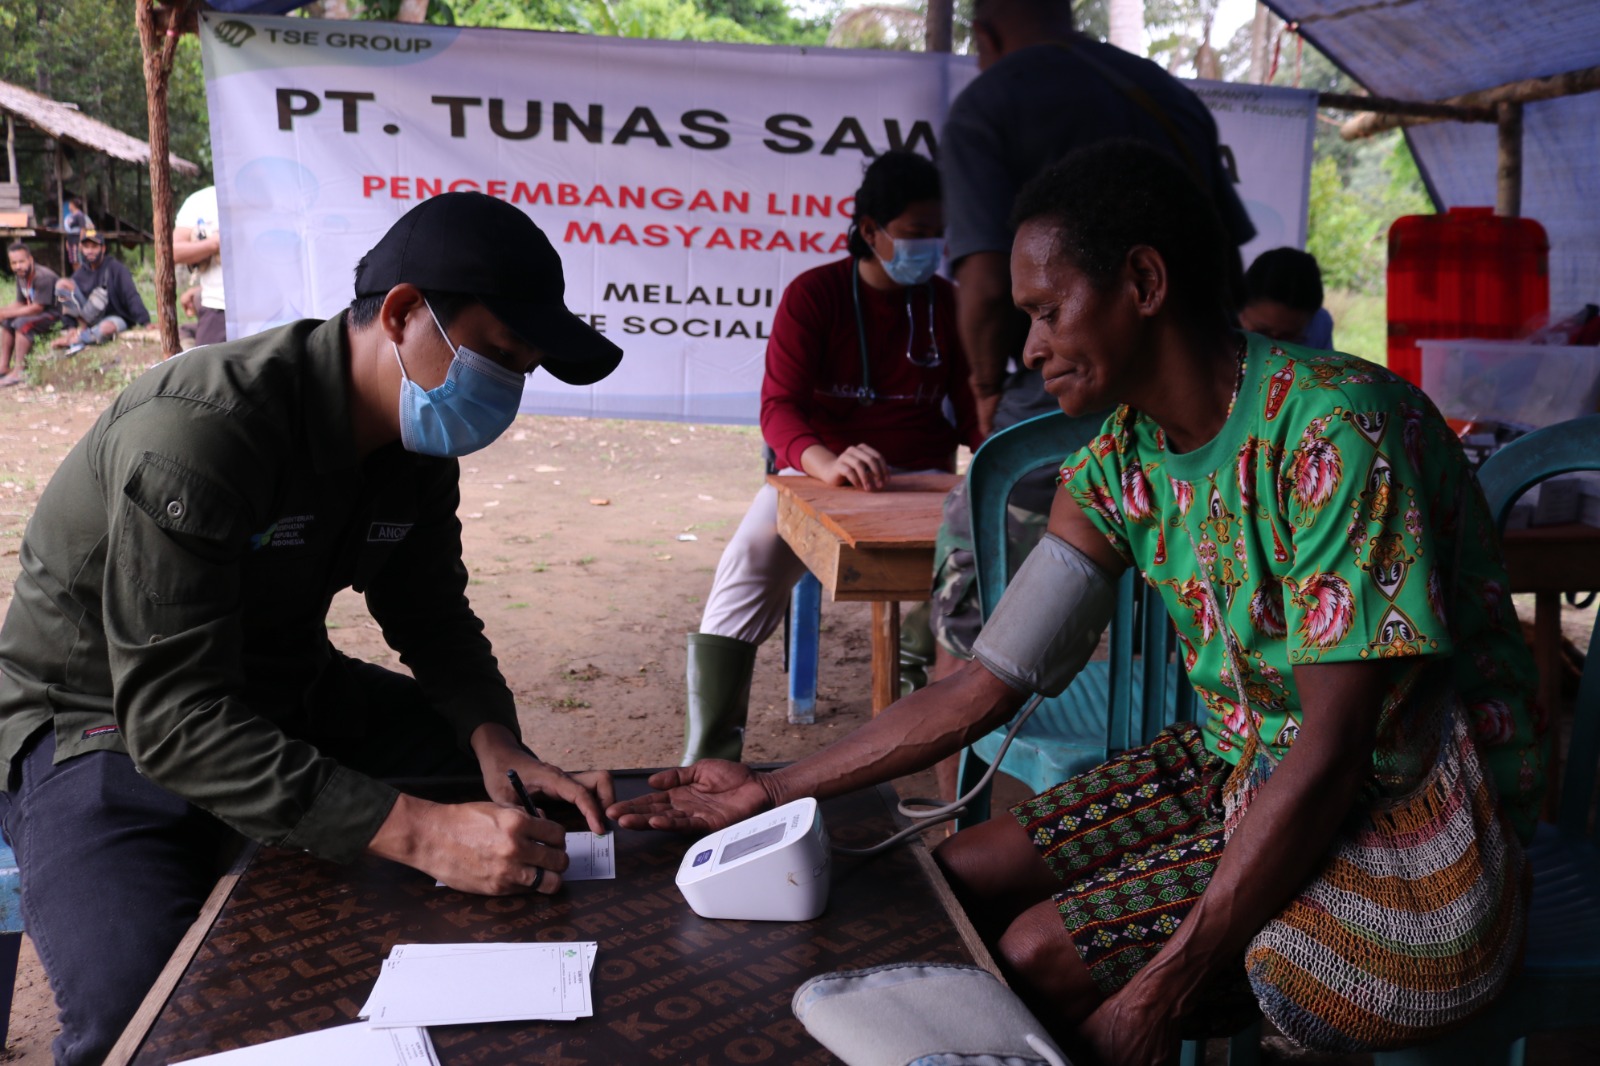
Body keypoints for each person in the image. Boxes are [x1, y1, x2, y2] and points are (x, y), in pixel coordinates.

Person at [611, 141, 1542, 1063]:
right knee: (956, 873)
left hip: (1402, 799)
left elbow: (1336, 754)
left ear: (1143, 281)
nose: (1032, 347)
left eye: (1050, 310)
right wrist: (771, 787)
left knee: (1038, 954)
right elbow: (986, 684)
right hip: (1244, 757)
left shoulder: (1333, 431)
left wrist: (1160, 992)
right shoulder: (1112, 469)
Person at [0, 192, 625, 1065]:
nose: (507, 389)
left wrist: (494, 739)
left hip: (277, 682)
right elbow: (175, 717)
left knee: (493, 798)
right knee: (146, 1021)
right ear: (405, 313)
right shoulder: (202, 433)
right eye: (496, 354)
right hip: (99, 717)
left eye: (523, 368)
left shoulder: (417, 444)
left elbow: (431, 613)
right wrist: (418, 831)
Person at [924, 0, 1258, 738]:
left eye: (1045, 314)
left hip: (1073, 406)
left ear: (986, 35)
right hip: (1207, 402)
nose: (1036, 341)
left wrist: (986, 394)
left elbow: (981, 287)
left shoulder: (991, 102)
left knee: (971, 593)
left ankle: (952, 802)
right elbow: (1225, 256)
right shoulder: (1163, 91)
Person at [681, 150, 980, 764]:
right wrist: (827, 462)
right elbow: (779, 409)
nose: (929, 247)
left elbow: (977, 413)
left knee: (968, 566)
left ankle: (916, 731)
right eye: (914, 234)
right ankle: (709, 755)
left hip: (920, 483)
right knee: (746, 562)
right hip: (818, 475)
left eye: (936, 235)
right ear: (870, 231)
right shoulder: (813, 294)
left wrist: (998, 464)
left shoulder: (947, 304)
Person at [50, 226, 150, 355]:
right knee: (62, 284)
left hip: (113, 317)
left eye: (94, 247)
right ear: (81, 249)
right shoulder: (80, 273)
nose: (90, 251)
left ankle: (78, 339)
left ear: (103, 248)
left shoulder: (116, 269)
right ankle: (75, 332)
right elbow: (64, 300)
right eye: (86, 247)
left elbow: (131, 295)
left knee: (106, 329)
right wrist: (70, 325)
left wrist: (145, 321)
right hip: (87, 317)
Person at [1240, 245, 1335, 349]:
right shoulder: (1222, 328)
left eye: (1288, 337)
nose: (1274, 349)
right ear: (1239, 307)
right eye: (1262, 332)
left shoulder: (1320, 324)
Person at [0, 242, 61, 386]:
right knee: (7, 322)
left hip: (54, 314)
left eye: (21, 261)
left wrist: (7, 313)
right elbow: (21, 302)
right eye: (14, 263)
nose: (18, 266)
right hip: (37, 311)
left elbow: (37, 308)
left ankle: (19, 372)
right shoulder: (21, 276)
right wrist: (3, 312)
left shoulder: (43, 276)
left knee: (21, 323)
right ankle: (3, 366)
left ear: (30, 259)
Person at [174, 184, 227, 346]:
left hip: (269, 308)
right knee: (208, 368)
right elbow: (173, 252)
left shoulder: (270, 194)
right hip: (218, 305)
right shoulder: (200, 201)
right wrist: (215, 244)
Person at [60, 196, 88, 272]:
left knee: (77, 260)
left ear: (73, 205)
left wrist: (81, 242)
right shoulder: (71, 216)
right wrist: (67, 241)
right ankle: (76, 278)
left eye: (69, 205)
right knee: (72, 261)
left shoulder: (80, 215)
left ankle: (81, 277)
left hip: (76, 240)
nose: (69, 206)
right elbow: (69, 230)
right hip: (70, 240)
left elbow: (83, 229)